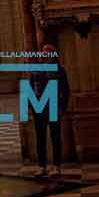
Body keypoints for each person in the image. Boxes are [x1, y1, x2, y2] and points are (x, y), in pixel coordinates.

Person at [31, 44, 71, 177]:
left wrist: (63, 106)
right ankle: (41, 166)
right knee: (40, 138)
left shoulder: (59, 69)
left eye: (48, 52)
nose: (44, 54)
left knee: (55, 137)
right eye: (43, 52)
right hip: (39, 107)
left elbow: (65, 89)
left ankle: (56, 166)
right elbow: (31, 87)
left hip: (53, 106)